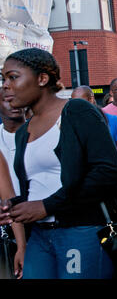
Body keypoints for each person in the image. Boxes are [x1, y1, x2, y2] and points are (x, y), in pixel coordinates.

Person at [1, 48, 117, 279]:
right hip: (39, 235)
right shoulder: (23, 131)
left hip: (81, 231)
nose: (6, 84)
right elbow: (39, 185)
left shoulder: (76, 111)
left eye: (13, 77)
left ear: (42, 79)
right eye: (3, 78)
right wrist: (13, 208)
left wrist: (47, 206)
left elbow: (107, 172)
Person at [0, 90, 26, 279]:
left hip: (37, 217)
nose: (13, 104)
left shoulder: (40, 133)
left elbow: (9, 199)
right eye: (6, 100)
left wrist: (21, 246)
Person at [72, 86, 117, 166]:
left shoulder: (114, 120)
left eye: (79, 102)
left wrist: (112, 170)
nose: (75, 106)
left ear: (91, 99)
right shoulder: (73, 124)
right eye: (72, 103)